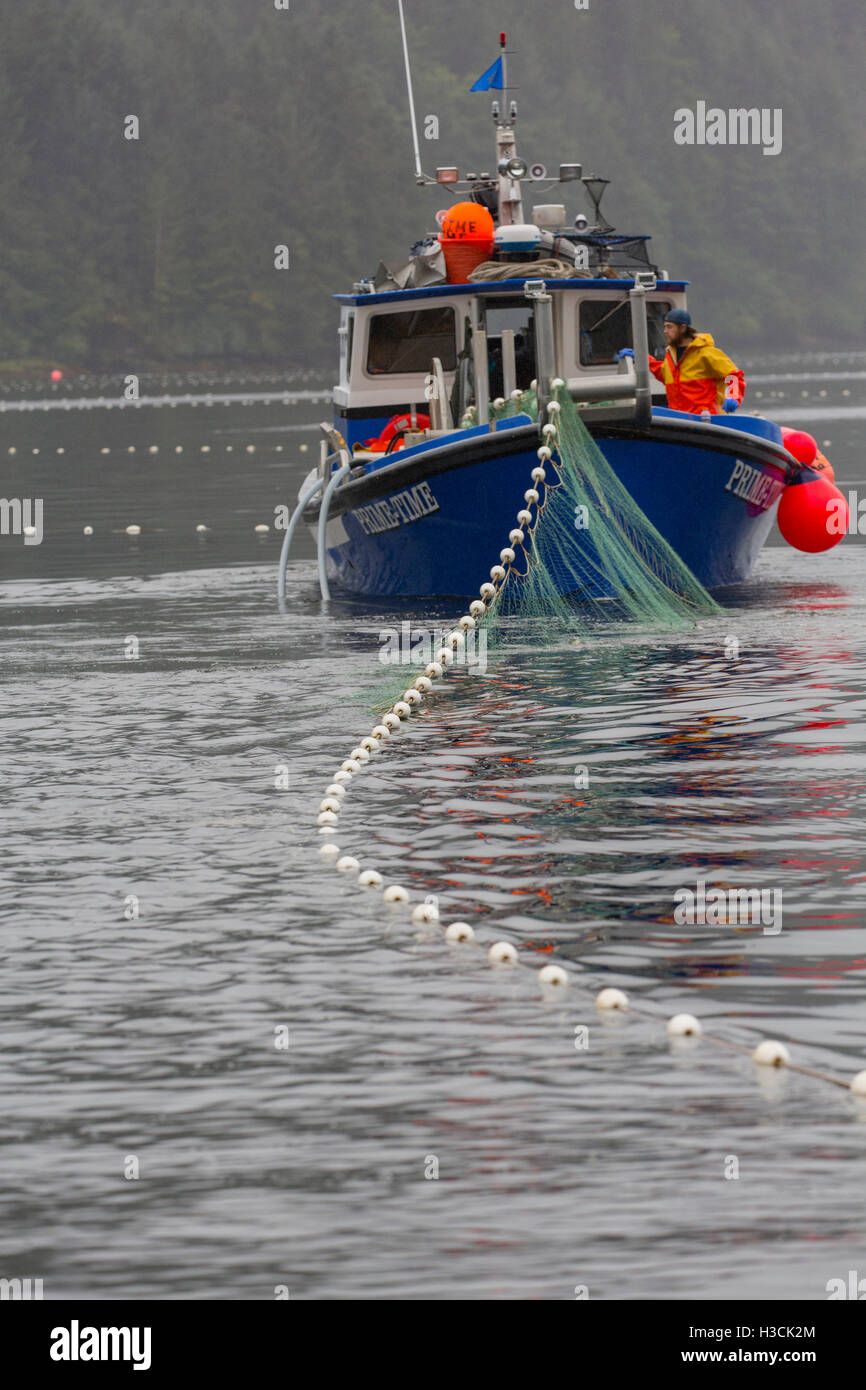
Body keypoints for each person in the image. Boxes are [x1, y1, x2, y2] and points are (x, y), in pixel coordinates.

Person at [618, 309, 746, 415]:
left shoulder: (706, 353)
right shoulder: (671, 355)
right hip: (679, 419)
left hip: (707, 420)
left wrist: (733, 396)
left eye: (669, 327)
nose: (665, 331)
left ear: (683, 328)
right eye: (665, 327)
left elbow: (734, 375)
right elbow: (664, 374)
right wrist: (642, 358)